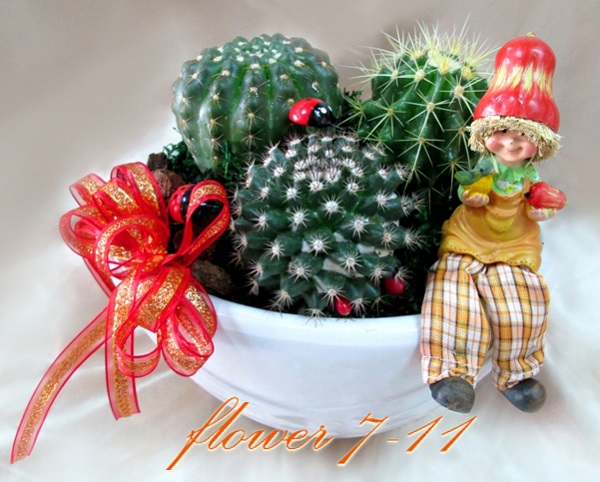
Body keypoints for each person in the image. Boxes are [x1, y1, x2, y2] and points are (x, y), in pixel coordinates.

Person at [420, 34, 564, 413]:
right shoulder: (485, 167)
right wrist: (473, 197)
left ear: (539, 142)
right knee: (452, 293)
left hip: (514, 245)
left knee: (523, 300)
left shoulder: (529, 177)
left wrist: (542, 210)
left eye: (524, 136)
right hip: (468, 238)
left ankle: (518, 375)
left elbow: (536, 202)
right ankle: (452, 374)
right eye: (502, 132)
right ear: (486, 132)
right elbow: (469, 188)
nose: (511, 144)